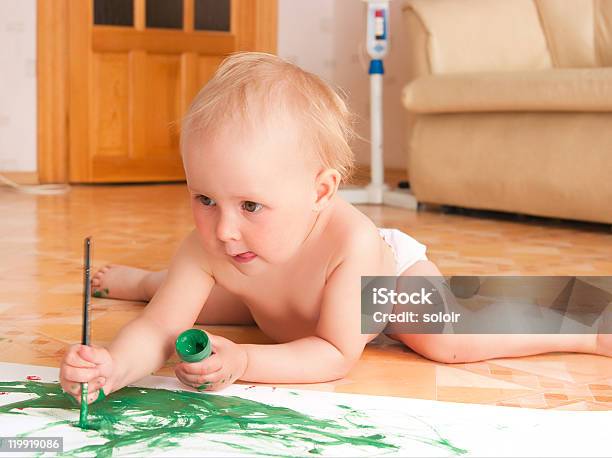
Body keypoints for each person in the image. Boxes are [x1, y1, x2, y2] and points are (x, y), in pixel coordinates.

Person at [59, 52, 610, 404]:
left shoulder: (355, 246)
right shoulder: (220, 243)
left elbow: (334, 353)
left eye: (250, 205)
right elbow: (158, 333)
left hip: (383, 290)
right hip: (276, 294)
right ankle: (145, 281)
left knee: (445, 337)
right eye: (204, 198)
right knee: (190, 300)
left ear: (320, 191)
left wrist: (246, 360)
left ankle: (584, 321)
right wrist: (112, 365)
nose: (223, 228)